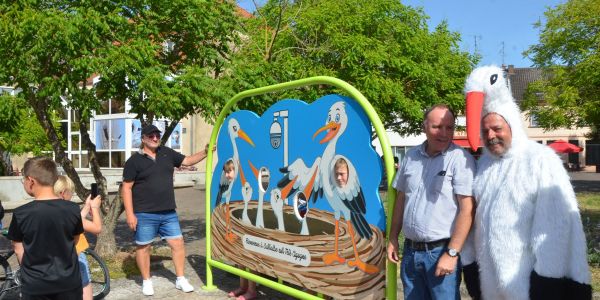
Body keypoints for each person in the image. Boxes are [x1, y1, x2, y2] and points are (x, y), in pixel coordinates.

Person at [464, 65, 591, 299]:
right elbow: (476, 222)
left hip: (526, 287)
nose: (491, 135)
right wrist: (470, 263)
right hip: (491, 287)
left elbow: (555, 228)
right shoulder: (484, 166)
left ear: (512, 125)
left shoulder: (540, 160)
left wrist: (547, 283)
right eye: (485, 130)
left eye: (497, 128)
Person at [386, 104, 476, 299]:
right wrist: (393, 237)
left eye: (449, 127)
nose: (444, 133)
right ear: (424, 127)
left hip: (440, 253)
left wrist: (452, 254)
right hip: (409, 253)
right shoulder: (411, 157)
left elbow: (467, 210)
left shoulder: (461, 160)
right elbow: (401, 199)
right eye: (437, 127)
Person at [122, 124, 211, 296]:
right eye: (151, 135)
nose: (155, 138)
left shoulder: (167, 153)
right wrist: (130, 214)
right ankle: (147, 281)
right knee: (143, 247)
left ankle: (180, 279)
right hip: (144, 213)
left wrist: (206, 151)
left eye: (157, 135)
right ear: (143, 139)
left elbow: (188, 160)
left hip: (168, 212)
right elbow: (126, 188)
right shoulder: (133, 162)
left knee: (178, 243)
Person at [7, 157, 84, 300]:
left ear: (31, 181)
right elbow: (74, 240)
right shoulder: (73, 209)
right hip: (68, 282)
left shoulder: (21, 214)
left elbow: (18, 248)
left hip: (35, 284)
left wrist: (31, 271)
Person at [54, 176, 102, 300]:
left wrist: (86, 207)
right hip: (76, 255)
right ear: (63, 193)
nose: (72, 195)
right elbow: (97, 228)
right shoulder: (69, 211)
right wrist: (95, 208)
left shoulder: (48, 209)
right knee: (84, 285)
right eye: (72, 192)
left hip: (56, 258)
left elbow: (78, 220)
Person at [223, 160, 258, 300]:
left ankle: (252, 290)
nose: (227, 175)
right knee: (239, 258)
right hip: (237, 225)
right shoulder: (231, 186)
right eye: (225, 172)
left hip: (248, 226)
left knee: (249, 258)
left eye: (229, 171)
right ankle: (243, 286)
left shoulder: (245, 184)